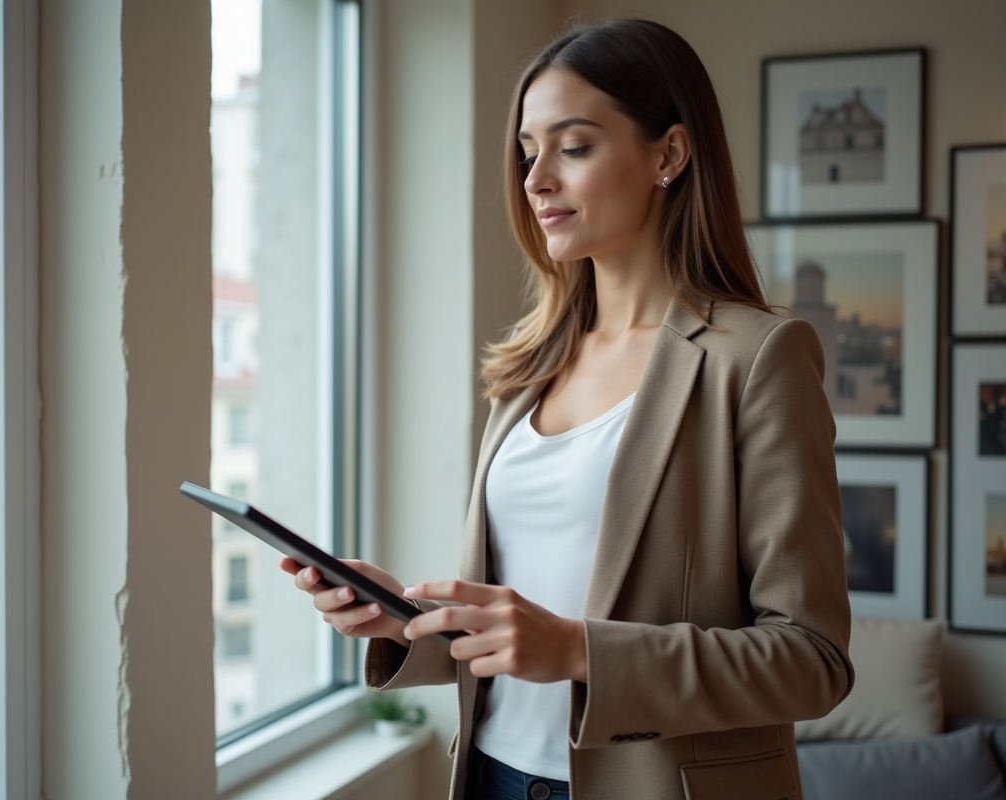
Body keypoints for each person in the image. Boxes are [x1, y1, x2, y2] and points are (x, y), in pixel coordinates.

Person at [281, 18, 853, 800]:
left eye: (572, 147)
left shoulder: (756, 358)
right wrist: (406, 618)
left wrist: (584, 651)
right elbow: (528, 631)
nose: (535, 179)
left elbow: (812, 659)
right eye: (527, 153)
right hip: (490, 777)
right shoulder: (529, 364)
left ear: (670, 155)